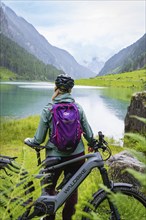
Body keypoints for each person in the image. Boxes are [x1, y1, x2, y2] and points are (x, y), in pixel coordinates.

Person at [25, 74, 96, 220]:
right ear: (70, 90)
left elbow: (38, 139)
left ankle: (49, 217)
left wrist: (30, 141)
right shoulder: (78, 108)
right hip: (78, 156)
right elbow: (89, 134)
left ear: (56, 88)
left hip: (54, 158)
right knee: (71, 190)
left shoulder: (49, 109)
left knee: (49, 189)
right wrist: (92, 142)